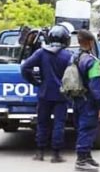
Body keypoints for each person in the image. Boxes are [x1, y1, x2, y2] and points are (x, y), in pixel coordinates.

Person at [20, 24, 72, 163]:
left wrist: (35, 82)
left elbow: (25, 67)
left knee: (42, 123)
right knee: (59, 124)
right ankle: (56, 155)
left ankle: (40, 153)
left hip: (44, 94)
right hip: (62, 96)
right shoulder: (68, 55)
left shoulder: (41, 53)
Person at [73, 30, 100, 172]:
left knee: (83, 127)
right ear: (91, 42)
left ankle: (87, 156)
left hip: (78, 98)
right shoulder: (92, 62)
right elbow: (95, 86)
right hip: (89, 101)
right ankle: (81, 160)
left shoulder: (75, 57)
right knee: (87, 129)